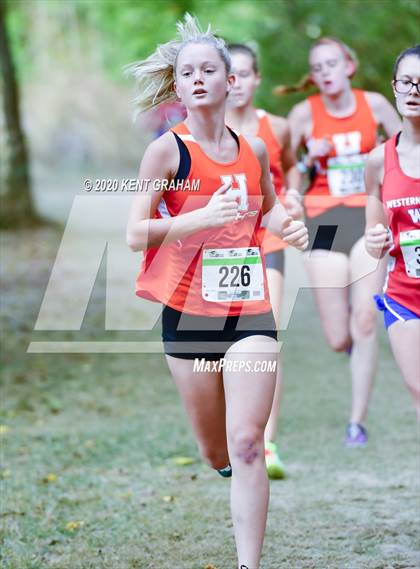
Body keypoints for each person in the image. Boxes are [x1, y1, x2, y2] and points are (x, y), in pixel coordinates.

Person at [126, 14, 308, 569]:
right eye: (187, 73)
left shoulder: (252, 147)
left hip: (250, 309)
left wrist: (288, 228)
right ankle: (225, 464)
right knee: (218, 451)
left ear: (232, 82)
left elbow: (270, 210)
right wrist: (198, 216)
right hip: (188, 312)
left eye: (210, 70)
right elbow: (136, 233)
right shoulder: (166, 152)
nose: (199, 79)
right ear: (176, 87)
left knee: (249, 443)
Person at [285, 37, 401, 446]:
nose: (326, 72)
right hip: (324, 221)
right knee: (339, 337)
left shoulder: (374, 106)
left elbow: (406, 149)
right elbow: (288, 171)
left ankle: (357, 422)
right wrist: (305, 160)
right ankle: (352, 341)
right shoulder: (303, 114)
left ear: (349, 65)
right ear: (313, 76)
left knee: (366, 318)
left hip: (367, 214)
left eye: (332, 64)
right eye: (318, 68)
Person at [226, 43, 303, 478]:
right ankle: (234, 432)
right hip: (220, 249)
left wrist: (292, 194)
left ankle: (267, 442)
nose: (237, 83)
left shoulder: (278, 127)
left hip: (267, 241)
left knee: (267, 338)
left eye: (244, 74)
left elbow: (290, 169)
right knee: (221, 341)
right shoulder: (206, 130)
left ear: (257, 79)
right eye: (229, 74)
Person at [365, 45, 420, 417]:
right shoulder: (378, 160)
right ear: (394, 87)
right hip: (404, 295)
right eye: (406, 82)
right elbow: (375, 238)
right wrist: (374, 240)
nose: (414, 91)